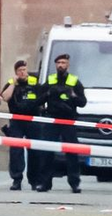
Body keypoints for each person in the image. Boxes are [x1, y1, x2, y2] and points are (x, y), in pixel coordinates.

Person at [35, 53, 86, 194]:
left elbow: (83, 102)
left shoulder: (74, 81)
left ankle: (74, 183)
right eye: (58, 63)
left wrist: (74, 96)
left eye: (63, 62)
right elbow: (38, 99)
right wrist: (48, 94)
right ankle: (44, 183)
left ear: (68, 64)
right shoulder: (50, 80)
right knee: (47, 152)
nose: (60, 65)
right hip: (52, 120)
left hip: (68, 120)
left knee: (72, 153)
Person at [1, 58, 44, 191]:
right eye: (20, 70)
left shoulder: (35, 82)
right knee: (16, 151)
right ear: (16, 72)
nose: (23, 73)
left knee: (35, 151)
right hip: (16, 121)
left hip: (32, 120)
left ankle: (34, 180)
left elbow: (42, 99)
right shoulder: (11, 83)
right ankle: (16, 179)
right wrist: (13, 84)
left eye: (24, 70)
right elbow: (5, 97)